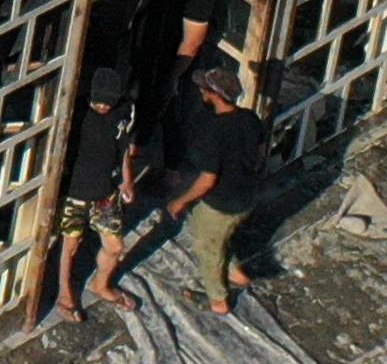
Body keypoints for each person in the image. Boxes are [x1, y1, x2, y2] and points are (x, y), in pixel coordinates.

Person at [156, 52, 271, 314]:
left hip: (221, 204)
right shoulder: (249, 118)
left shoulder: (213, 132)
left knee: (207, 248)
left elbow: (208, 180)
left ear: (215, 95)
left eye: (205, 88)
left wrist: (180, 201)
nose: (201, 90)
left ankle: (218, 301)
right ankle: (236, 275)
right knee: (221, 239)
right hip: (247, 197)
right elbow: (261, 150)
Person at [47, 52, 143, 316]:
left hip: (105, 194)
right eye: (98, 102)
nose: (102, 107)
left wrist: (127, 180)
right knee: (71, 245)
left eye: (107, 103)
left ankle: (101, 284)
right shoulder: (75, 114)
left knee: (115, 246)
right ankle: (65, 293)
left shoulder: (126, 111)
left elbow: (123, 147)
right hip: (76, 193)